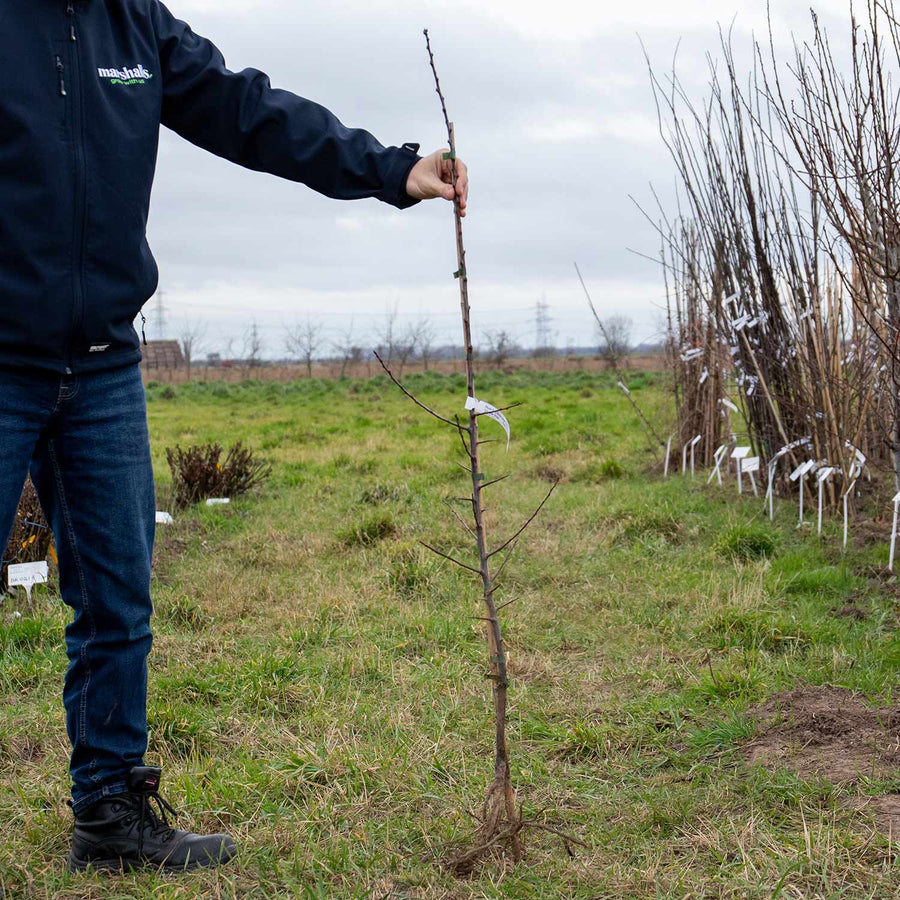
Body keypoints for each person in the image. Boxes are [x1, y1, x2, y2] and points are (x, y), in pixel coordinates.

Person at [1, 0, 468, 874]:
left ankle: (109, 814)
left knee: (117, 600)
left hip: (100, 362)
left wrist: (392, 168)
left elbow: (247, 110)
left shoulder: (132, 21)